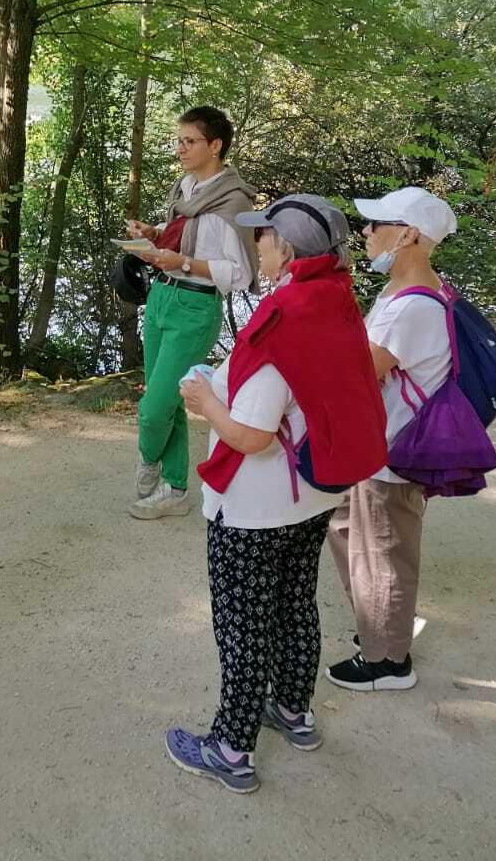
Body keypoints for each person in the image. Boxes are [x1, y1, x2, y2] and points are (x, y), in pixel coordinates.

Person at [166, 194, 387, 794]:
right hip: (312, 493)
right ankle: (295, 711)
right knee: (295, 606)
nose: (255, 244)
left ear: (285, 249)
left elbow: (253, 435)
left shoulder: (281, 321)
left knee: (242, 624)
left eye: (262, 236)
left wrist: (206, 402)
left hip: (257, 504)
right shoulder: (337, 303)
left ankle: (231, 749)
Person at [325, 186, 459, 693]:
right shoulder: (404, 293)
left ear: (406, 235)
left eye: (376, 223)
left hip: (392, 453)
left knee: (384, 554)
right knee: (350, 533)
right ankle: (377, 630)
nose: (366, 231)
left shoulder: (413, 307)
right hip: (371, 445)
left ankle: (387, 661)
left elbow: (360, 372)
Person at [125, 106, 257, 519]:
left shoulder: (233, 203)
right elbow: (185, 240)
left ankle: (149, 465)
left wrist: (181, 263)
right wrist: (154, 236)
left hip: (195, 305)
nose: (180, 148)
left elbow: (239, 274)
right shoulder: (186, 187)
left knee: (154, 408)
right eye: (178, 140)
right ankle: (177, 489)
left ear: (215, 146)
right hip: (162, 298)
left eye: (189, 141)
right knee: (169, 399)